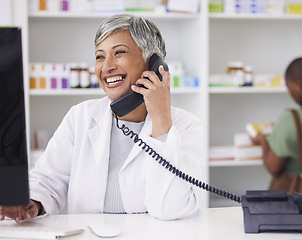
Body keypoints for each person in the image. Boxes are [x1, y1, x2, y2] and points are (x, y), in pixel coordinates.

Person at [0, 14, 203, 223]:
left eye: (119, 53)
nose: (106, 67)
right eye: (99, 57)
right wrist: (31, 203)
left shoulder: (185, 126)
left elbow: (170, 208)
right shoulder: (80, 117)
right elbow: (47, 181)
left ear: (154, 65)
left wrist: (161, 120)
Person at [250, 57, 302, 189]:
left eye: (287, 85)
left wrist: (262, 140)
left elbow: (273, 167)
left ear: (298, 84)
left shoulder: (290, 119)